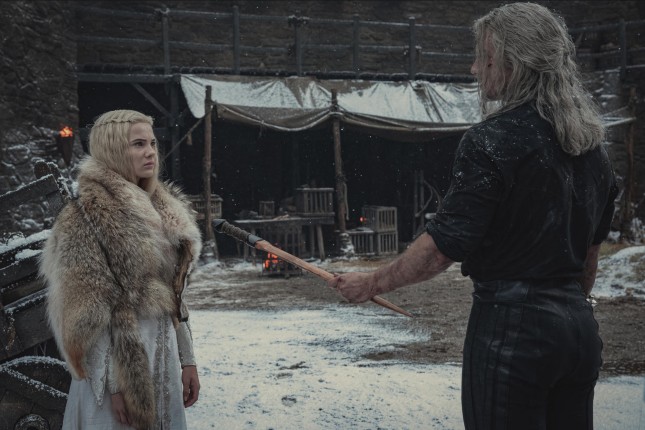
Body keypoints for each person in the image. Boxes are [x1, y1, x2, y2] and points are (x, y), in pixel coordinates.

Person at [328, 3, 618, 429]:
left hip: (513, 334)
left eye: (485, 58)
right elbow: (588, 265)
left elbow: (442, 249)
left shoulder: (492, 140)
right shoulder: (592, 149)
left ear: (514, 63)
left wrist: (370, 283)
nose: (475, 69)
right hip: (579, 332)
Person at [40, 109, 203, 429]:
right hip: (111, 372)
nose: (150, 152)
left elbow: (175, 298)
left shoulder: (164, 209)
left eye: (153, 143)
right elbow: (86, 313)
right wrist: (117, 385)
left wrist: (187, 360)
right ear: (113, 149)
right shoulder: (84, 218)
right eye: (138, 144)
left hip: (162, 357)